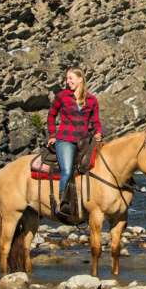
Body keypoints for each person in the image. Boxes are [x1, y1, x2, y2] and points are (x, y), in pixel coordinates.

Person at [46, 67, 103, 220]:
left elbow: (95, 121)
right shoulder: (62, 96)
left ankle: (89, 202)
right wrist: (52, 134)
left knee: (95, 168)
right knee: (67, 170)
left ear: (80, 79)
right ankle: (63, 204)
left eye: (71, 78)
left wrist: (98, 132)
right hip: (65, 139)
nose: (68, 81)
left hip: (85, 140)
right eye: (67, 79)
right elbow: (51, 115)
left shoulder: (92, 100)